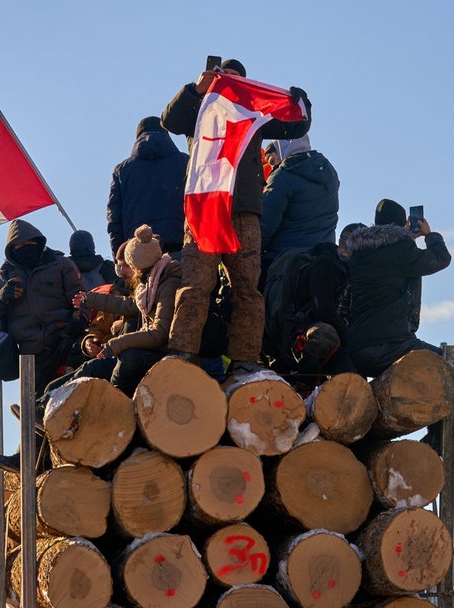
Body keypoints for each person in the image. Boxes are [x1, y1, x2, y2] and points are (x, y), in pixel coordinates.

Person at [160, 57, 311, 375]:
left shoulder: (253, 113)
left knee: (247, 289)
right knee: (196, 285)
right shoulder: (201, 109)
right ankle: (182, 354)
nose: (229, 84)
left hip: (244, 210)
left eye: (236, 80)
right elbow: (169, 121)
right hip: (205, 208)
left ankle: (244, 360)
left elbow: (293, 125)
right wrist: (194, 89)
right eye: (224, 78)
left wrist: (301, 101)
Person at [345, 199, 454, 471]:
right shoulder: (402, 250)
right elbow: (440, 259)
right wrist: (429, 235)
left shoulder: (359, 253)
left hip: (356, 347)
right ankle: (444, 441)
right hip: (390, 343)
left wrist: (405, 240)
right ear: (403, 224)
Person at [72, 224, 182, 396]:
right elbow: (125, 305)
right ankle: (46, 403)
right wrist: (89, 299)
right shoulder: (147, 286)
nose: (122, 272)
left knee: (128, 357)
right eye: (119, 267)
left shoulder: (166, 282)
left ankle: (112, 403)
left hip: (161, 354)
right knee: (91, 368)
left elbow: (159, 333)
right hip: (127, 350)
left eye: (128, 266)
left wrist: (116, 343)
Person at [0, 219, 85, 393]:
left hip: (64, 341)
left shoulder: (61, 264)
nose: (25, 247)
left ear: (39, 242)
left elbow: (82, 297)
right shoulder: (5, 274)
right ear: (12, 250)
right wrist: (1, 297)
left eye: (30, 242)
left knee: (73, 393)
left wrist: (80, 318)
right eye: (19, 245)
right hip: (30, 353)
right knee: (35, 406)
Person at [262, 241, 354, 386]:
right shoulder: (326, 264)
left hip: (302, 332)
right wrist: (347, 337)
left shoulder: (340, 267)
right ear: (344, 245)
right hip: (299, 334)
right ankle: (303, 381)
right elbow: (322, 309)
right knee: (326, 336)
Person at [107, 116, 189, 258]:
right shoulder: (186, 162)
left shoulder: (122, 170)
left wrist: (119, 256)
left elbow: (114, 217)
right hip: (182, 246)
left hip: (139, 253)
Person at [259, 134, 340, 277]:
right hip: (322, 260)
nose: (272, 167)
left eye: (272, 161)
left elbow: (265, 226)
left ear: (281, 149)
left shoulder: (282, 176)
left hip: (283, 262)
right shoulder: (330, 173)